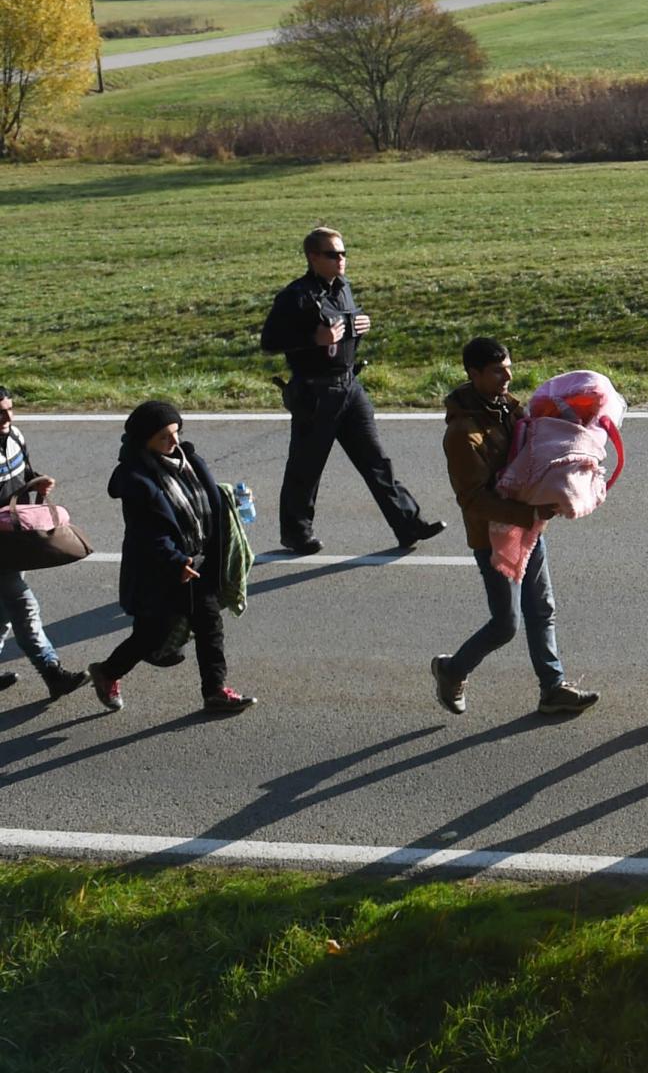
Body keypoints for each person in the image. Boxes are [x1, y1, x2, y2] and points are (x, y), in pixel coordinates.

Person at [429, 337, 599, 717]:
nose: (507, 376)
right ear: (473, 375)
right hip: (493, 537)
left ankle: (552, 688)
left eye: (508, 367)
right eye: (496, 371)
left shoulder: (506, 407)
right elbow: (472, 499)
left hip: (529, 524)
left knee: (542, 609)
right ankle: (451, 670)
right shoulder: (462, 434)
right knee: (506, 624)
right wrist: (530, 513)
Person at [258, 225, 443, 556]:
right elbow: (269, 342)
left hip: (349, 387)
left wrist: (360, 327)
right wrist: (312, 340)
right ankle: (296, 533)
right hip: (314, 392)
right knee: (306, 467)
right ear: (313, 257)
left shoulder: (342, 288)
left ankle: (407, 523)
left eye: (343, 253)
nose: (341, 259)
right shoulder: (295, 296)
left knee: (376, 460)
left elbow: (343, 329)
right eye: (333, 254)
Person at [91, 401, 255, 716]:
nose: (174, 442)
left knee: (210, 627)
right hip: (163, 573)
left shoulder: (189, 460)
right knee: (150, 635)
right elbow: (149, 534)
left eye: (176, 433)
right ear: (145, 442)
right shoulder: (137, 481)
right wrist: (175, 561)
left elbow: (208, 498)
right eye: (165, 437)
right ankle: (108, 672)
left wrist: (234, 499)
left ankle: (215, 692)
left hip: (196, 566)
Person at [0, 387, 86, 700]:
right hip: (2, 546)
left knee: (4, 612)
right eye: (0, 412)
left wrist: (37, 481)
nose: (7, 417)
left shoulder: (16, 436)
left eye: (10, 409)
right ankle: (53, 672)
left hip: (12, 540)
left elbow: (22, 475)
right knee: (23, 606)